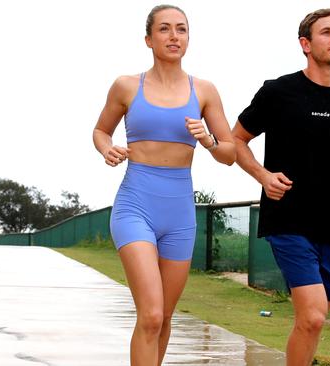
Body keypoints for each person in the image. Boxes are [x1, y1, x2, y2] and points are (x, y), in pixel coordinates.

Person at [232, 8, 330, 365]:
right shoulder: (278, 92)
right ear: (305, 43)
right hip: (286, 218)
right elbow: (237, 140)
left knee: (315, 316)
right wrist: (264, 177)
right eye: (327, 32)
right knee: (314, 315)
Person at [92, 5, 235, 365]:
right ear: (148, 38)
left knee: (165, 317)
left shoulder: (204, 91)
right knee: (152, 314)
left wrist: (209, 141)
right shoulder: (127, 85)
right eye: (165, 29)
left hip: (180, 212)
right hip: (135, 204)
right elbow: (100, 130)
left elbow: (230, 152)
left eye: (182, 29)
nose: (174, 36)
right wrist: (107, 148)